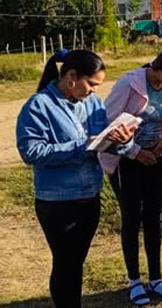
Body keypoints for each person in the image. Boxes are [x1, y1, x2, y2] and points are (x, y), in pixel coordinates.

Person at [16, 50, 135, 308]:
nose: (94, 91)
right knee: (66, 262)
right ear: (71, 76)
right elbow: (31, 152)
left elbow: (102, 144)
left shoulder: (93, 104)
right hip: (57, 202)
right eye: (91, 84)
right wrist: (82, 145)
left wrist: (123, 141)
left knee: (75, 262)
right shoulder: (38, 106)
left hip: (90, 197)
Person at [100, 46, 162, 305]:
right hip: (125, 161)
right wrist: (134, 151)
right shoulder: (128, 85)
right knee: (132, 218)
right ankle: (134, 281)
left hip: (156, 159)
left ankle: (156, 278)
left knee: (154, 216)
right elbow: (106, 124)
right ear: (161, 69)